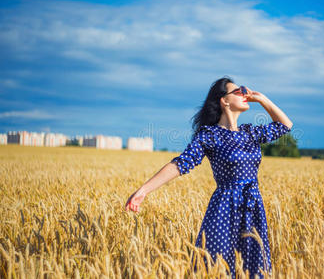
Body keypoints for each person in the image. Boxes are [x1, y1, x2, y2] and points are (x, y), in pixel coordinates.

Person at [125, 77, 293, 278]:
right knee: (216, 268)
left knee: (253, 270)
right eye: (238, 92)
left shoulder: (250, 133)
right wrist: (143, 190)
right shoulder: (210, 135)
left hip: (252, 208)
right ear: (224, 100)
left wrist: (262, 98)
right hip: (224, 209)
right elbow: (181, 164)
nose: (245, 93)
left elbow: (285, 125)